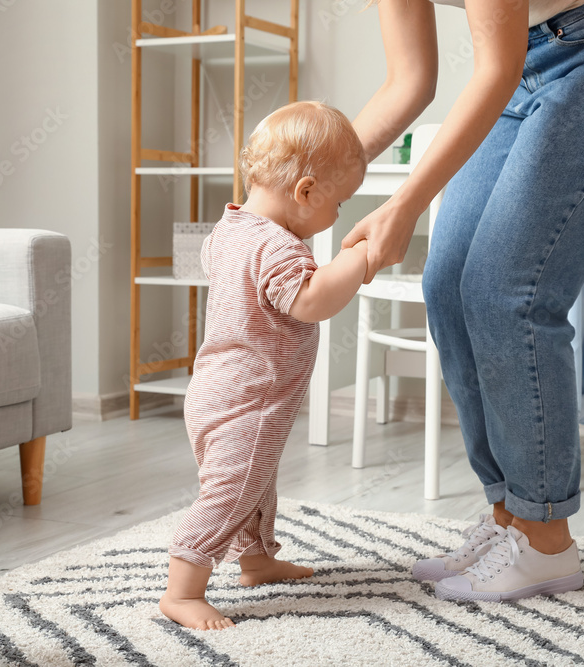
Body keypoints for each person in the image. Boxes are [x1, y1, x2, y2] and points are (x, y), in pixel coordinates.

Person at [343, 0, 584, 601]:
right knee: (448, 284)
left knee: (506, 291)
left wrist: (405, 204)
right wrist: (294, 180)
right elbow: (409, 82)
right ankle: (509, 517)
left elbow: (492, 67)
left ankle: (545, 537)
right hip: (527, 62)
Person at [160, 101, 370, 629]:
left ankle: (254, 560)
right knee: (230, 494)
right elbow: (311, 301)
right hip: (249, 401)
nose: (338, 214)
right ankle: (182, 590)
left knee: (256, 483)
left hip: (215, 389)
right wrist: (358, 258)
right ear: (305, 191)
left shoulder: (230, 231)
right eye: (339, 202)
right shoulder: (278, 248)